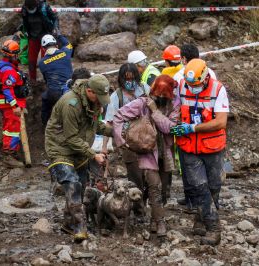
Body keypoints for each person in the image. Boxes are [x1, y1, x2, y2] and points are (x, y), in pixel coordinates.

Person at [45, 74, 112, 242]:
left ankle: (68, 223)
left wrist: (116, 132)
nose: (100, 101)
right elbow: (71, 138)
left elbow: (95, 125)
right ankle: (79, 227)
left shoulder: (93, 102)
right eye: (99, 96)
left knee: (81, 186)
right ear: (89, 91)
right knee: (72, 183)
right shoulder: (71, 104)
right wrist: (93, 154)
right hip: (60, 147)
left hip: (79, 149)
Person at [170, 59, 229, 246]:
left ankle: (200, 216)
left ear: (205, 77)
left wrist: (192, 128)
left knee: (213, 186)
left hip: (212, 147)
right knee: (199, 186)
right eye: (189, 85)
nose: (192, 88)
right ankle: (213, 227)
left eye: (195, 85)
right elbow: (173, 108)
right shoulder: (181, 86)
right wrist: (175, 124)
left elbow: (220, 122)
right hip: (188, 148)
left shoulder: (218, 90)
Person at [113, 75, 180, 236]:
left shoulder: (176, 104)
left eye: (164, 97)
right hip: (148, 152)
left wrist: (155, 111)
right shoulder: (142, 103)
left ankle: (154, 220)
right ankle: (161, 223)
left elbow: (169, 128)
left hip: (166, 152)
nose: (160, 99)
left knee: (164, 189)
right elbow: (118, 116)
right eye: (157, 96)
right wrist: (121, 139)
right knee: (154, 186)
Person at [172, 44, 217, 207]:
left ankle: (192, 201)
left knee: (187, 166)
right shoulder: (210, 73)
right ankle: (207, 201)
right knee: (206, 167)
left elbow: (175, 104)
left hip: (189, 129)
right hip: (208, 127)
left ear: (183, 59)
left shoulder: (179, 76)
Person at [102, 63, 147, 191]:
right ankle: (138, 202)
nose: (130, 82)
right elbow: (109, 122)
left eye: (132, 79)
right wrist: (105, 146)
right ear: (121, 79)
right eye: (127, 79)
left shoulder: (144, 89)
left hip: (146, 136)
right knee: (134, 173)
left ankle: (146, 197)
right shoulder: (116, 97)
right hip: (127, 141)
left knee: (148, 172)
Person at [0, 40, 28, 168]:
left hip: (8, 104)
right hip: (9, 105)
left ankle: (13, 151)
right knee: (12, 129)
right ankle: (9, 154)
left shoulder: (4, 65)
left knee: (11, 128)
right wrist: (15, 106)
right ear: (13, 55)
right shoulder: (9, 71)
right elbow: (7, 90)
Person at [38, 32, 73, 125]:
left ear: (43, 48)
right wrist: (60, 35)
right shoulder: (65, 52)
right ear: (56, 45)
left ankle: (45, 125)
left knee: (45, 102)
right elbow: (68, 44)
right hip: (70, 91)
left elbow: (46, 80)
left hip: (54, 93)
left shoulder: (42, 63)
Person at [21, 0, 58, 82]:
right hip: (32, 36)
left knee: (47, 59)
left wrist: (55, 29)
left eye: (32, 8)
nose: (31, 9)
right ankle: (32, 80)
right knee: (31, 60)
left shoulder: (44, 7)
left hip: (45, 35)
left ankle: (48, 79)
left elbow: (55, 18)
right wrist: (26, 32)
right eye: (29, 8)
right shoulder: (24, 9)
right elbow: (24, 22)